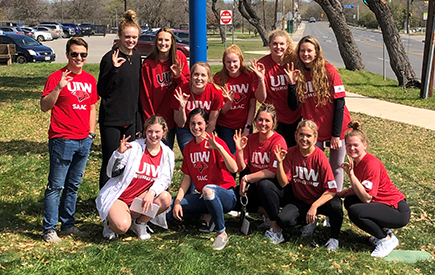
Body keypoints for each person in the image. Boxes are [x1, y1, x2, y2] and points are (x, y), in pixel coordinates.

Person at [40, 37, 98, 242]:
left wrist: (91, 133)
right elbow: (44, 106)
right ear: (67, 55)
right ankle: (49, 229)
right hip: (62, 139)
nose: (79, 58)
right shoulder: (56, 76)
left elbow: (92, 106)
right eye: (75, 54)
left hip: (84, 140)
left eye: (83, 54)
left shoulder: (90, 80)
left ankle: (68, 225)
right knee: (56, 185)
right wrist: (58, 88)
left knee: (73, 185)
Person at [338, 121, 411, 257]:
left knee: (356, 211)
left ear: (365, 146)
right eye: (348, 145)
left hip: (397, 210)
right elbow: (359, 188)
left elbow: (366, 198)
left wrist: (351, 175)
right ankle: (385, 233)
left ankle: (386, 240)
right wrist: (339, 194)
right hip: (382, 204)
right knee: (350, 201)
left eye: (356, 145)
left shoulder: (371, 163)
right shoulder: (357, 162)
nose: (352, 148)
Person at [95, 116, 174, 240]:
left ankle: (140, 223)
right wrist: (119, 154)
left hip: (140, 199)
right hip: (120, 197)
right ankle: (110, 224)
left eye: (157, 132)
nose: (153, 135)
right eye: (150, 131)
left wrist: (152, 192)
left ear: (163, 132)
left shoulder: (167, 153)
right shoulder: (133, 147)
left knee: (165, 198)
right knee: (121, 227)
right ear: (145, 131)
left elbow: (165, 179)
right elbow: (111, 172)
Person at [169, 108, 238, 251]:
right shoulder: (188, 148)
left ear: (207, 124)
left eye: (199, 123)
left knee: (208, 189)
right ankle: (208, 216)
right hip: (204, 197)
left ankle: (221, 232)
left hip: (226, 195)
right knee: (170, 208)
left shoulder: (217, 143)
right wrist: (177, 202)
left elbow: (234, 168)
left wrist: (219, 148)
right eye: (192, 124)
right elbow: (187, 178)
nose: (196, 127)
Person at [290, 35, 351, 192]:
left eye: (309, 50)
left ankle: (333, 203)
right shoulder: (299, 74)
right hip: (313, 130)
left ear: (316, 52)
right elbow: (293, 106)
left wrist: (336, 135)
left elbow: (340, 103)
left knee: (335, 167)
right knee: (314, 168)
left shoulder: (329, 70)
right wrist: (292, 84)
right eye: (302, 51)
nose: (305, 54)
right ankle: (316, 200)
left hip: (336, 129)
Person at [273, 120, 343, 251]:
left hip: (320, 201)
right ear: (296, 136)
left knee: (336, 205)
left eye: (309, 136)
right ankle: (308, 221)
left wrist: (315, 206)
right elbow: (283, 182)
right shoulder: (291, 153)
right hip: (301, 200)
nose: (304, 139)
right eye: (301, 135)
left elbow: (332, 190)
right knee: (283, 220)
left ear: (315, 138)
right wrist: (280, 163)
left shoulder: (320, 157)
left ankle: (334, 238)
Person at [97, 10, 142, 189]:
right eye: (127, 37)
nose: (131, 40)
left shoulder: (137, 57)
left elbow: (137, 92)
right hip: (111, 120)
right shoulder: (109, 58)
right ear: (120, 36)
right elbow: (102, 90)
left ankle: (121, 197)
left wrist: (138, 122)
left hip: (130, 119)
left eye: (134, 37)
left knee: (127, 162)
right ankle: (104, 203)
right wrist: (113, 70)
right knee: (111, 160)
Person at [233, 104, 287, 228]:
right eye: (260, 119)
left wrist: (247, 178)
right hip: (256, 185)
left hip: (275, 186)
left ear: (273, 123)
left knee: (265, 185)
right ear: (255, 121)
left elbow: (272, 172)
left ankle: (273, 220)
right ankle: (265, 212)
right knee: (234, 198)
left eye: (267, 120)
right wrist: (239, 150)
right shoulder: (251, 139)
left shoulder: (278, 141)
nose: (263, 123)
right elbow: (241, 167)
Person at [140, 27, 190, 149]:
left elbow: (187, 88)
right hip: (159, 118)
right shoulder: (149, 64)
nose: (163, 43)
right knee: (157, 153)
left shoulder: (179, 57)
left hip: (179, 115)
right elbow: (145, 96)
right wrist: (151, 121)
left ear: (172, 41)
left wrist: (178, 76)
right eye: (160, 40)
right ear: (155, 41)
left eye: (166, 40)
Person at [213, 44, 264, 155]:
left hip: (244, 124)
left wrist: (248, 127)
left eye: (235, 61)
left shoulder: (249, 76)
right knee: (231, 155)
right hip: (225, 125)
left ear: (241, 61)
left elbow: (252, 104)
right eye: (228, 62)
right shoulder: (219, 78)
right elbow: (222, 110)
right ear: (224, 63)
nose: (232, 65)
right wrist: (229, 102)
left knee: (245, 156)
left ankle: (245, 173)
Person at [258, 30, 301, 148]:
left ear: (287, 45)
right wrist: (261, 79)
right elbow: (261, 99)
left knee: (294, 151)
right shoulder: (262, 65)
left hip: (296, 115)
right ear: (269, 45)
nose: (278, 47)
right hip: (276, 118)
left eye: (282, 44)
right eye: (275, 44)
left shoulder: (295, 61)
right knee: (277, 150)